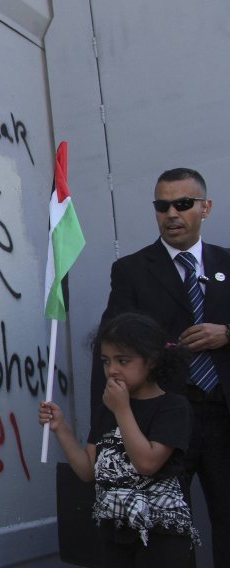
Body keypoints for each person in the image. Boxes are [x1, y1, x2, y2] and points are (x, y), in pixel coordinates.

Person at [89, 168, 230, 566]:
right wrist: (99, 429)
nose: (172, 213)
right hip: (162, 421)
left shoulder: (226, 263)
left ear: (205, 207)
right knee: (165, 530)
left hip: (222, 413)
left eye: (183, 204)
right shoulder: (132, 271)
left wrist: (227, 333)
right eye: (162, 205)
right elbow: (111, 345)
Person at [41, 313, 199, 567]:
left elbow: (147, 463)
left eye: (123, 361)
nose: (112, 370)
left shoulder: (172, 407)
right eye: (106, 361)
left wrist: (122, 410)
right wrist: (61, 428)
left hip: (160, 533)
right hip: (114, 530)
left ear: (152, 361)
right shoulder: (108, 408)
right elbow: (87, 470)